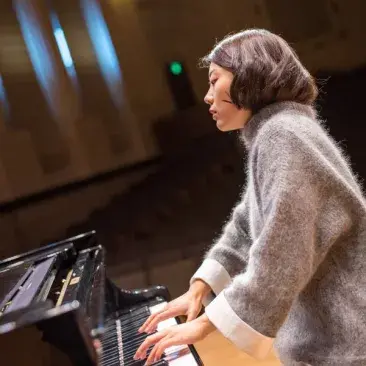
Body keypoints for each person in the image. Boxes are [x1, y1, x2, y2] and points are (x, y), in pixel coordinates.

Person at [134, 29, 366, 366]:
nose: (207, 97)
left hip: (348, 346)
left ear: (249, 76)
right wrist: (200, 287)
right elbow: (247, 223)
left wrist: (205, 323)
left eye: (214, 80)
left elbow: (283, 252)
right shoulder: (280, 132)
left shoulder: (283, 135)